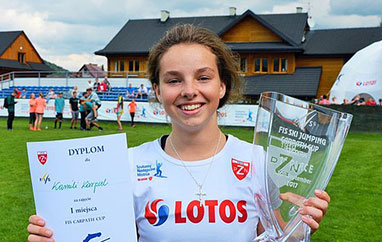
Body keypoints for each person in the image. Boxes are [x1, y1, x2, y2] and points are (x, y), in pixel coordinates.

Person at [27, 24, 330, 242]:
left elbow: (276, 239)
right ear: (157, 91)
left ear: (221, 86)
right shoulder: (127, 165)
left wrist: (302, 227)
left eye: (203, 77)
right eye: (174, 80)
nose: (189, 91)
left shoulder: (255, 160)